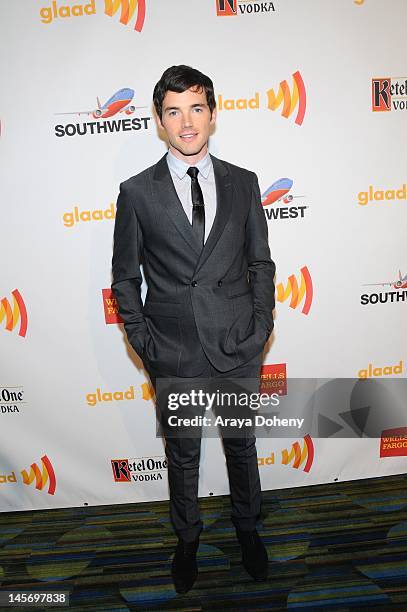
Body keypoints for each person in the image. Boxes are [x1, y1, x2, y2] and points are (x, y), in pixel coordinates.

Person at [111, 65, 276, 593]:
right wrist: (145, 345)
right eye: (174, 111)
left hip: (237, 345)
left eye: (196, 108)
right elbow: (125, 278)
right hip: (174, 350)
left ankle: (248, 530)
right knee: (182, 453)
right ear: (160, 120)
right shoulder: (136, 193)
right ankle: (187, 541)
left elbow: (261, 264)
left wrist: (260, 328)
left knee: (241, 444)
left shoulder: (244, 183)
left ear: (212, 113)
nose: (187, 122)